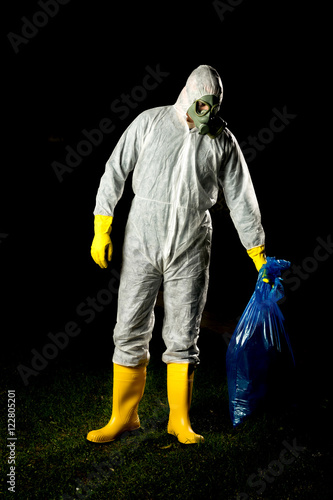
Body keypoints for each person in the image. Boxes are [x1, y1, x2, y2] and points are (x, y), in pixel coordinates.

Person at [87, 65, 266, 445]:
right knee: (130, 325)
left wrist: (257, 252)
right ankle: (124, 415)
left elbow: (241, 198)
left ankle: (179, 420)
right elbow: (115, 170)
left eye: (211, 106)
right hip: (142, 240)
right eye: (200, 103)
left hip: (191, 243)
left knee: (184, 329)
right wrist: (102, 226)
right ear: (187, 95)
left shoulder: (222, 140)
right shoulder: (150, 122)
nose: (205, 111)